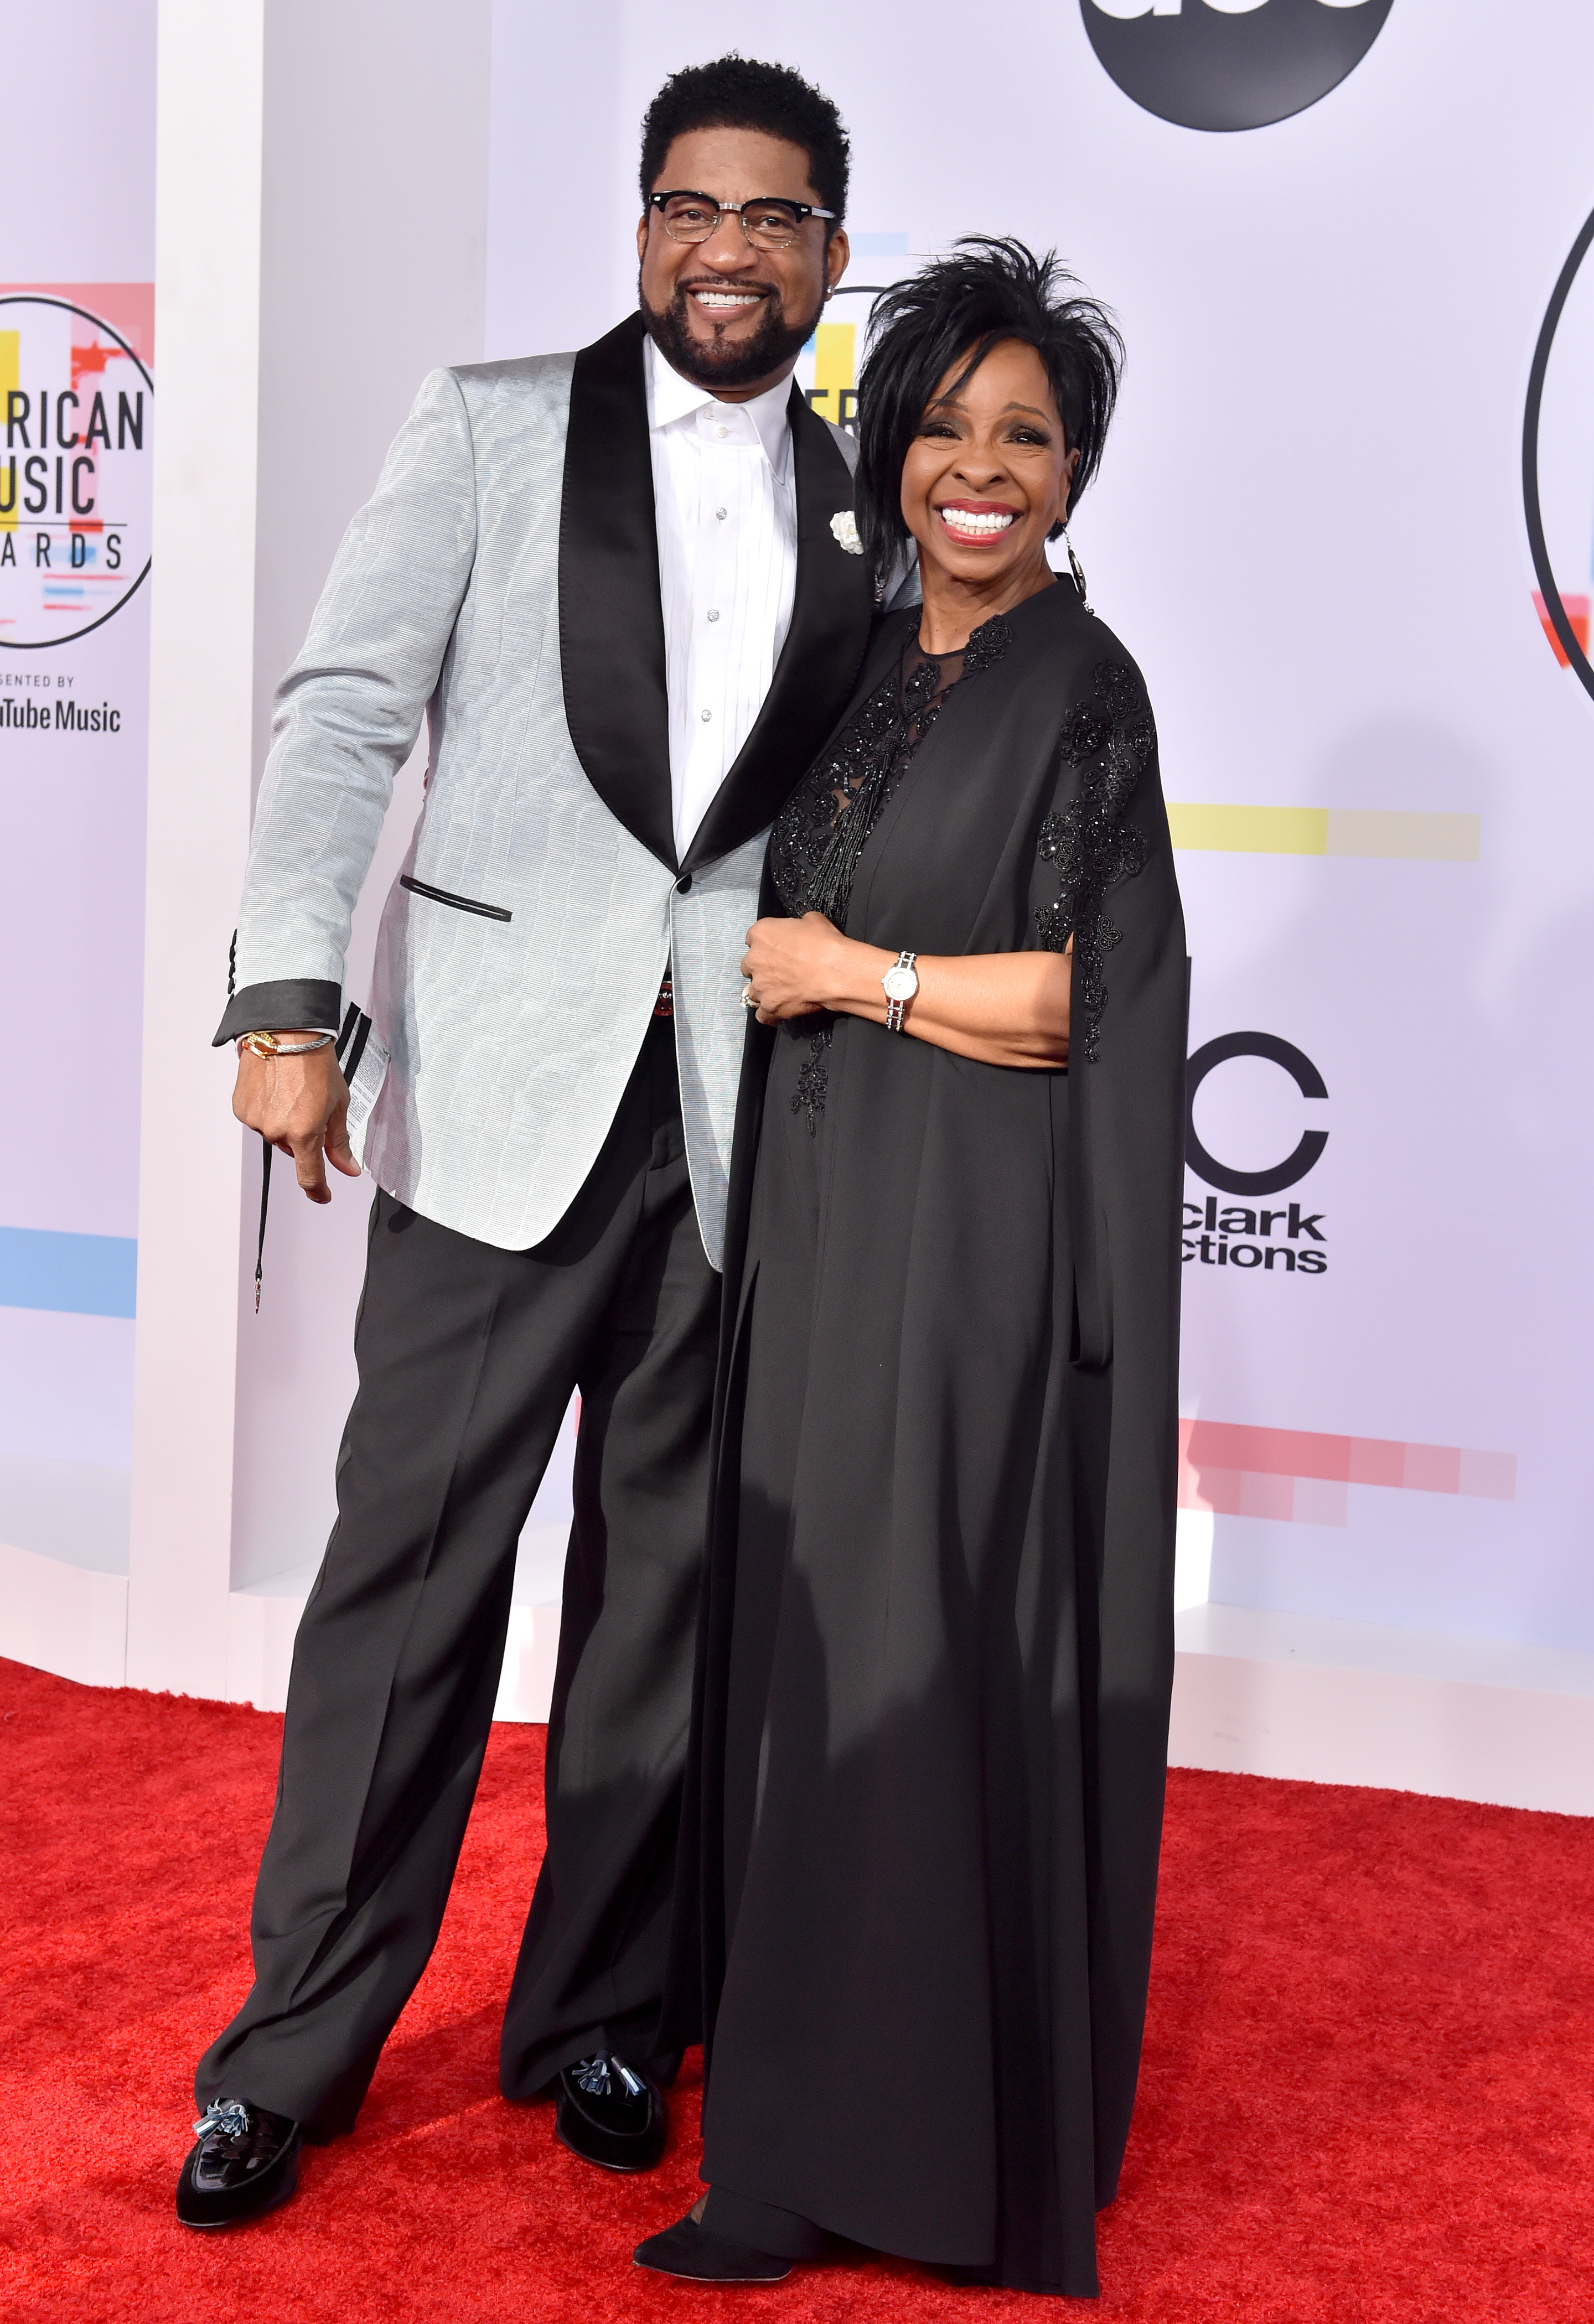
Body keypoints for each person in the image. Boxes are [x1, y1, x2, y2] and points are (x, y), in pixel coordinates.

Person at [176, 57, 882, 2232]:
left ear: (832, 255)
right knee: (405, 1589)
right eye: (693, 207)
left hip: (736, 1121)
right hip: (488, 1093)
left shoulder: (874, 494)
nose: (729, 249)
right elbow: (345, 709)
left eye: (775, 217)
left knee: (668, 1594)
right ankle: (290, 2049)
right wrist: (291, 994)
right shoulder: (490, 426)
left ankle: (600, 2006)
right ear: (640, 221)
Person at [638, 240, 1187, 2296]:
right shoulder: (862, 654)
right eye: (946, 423)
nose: (982, 467)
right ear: (888, 449)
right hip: (822, 1225)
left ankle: (850, 2163)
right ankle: (802, 2097)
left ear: (1074, 474)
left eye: (1026, 435)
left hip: (967, 1243)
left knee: (900, 1656)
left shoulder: (1083, 687)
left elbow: (1077, 1001)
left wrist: (847, 977)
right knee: (809, 1653)